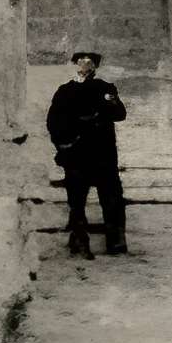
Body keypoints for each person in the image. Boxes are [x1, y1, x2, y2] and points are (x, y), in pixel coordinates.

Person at [46, 51, 131, 258]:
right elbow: (53, 121)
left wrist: (110, 103)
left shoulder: (105, 88)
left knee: (111, 196)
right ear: (75, 65)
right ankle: (79, 239)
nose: (85, 65)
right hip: (76, 153)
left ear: (95, 67)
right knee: (76, 198)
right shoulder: (64, 91)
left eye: (90, 62)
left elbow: (120, 114)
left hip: (102, 152)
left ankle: (116, 240)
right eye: (81, 61)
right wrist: (63, 145)